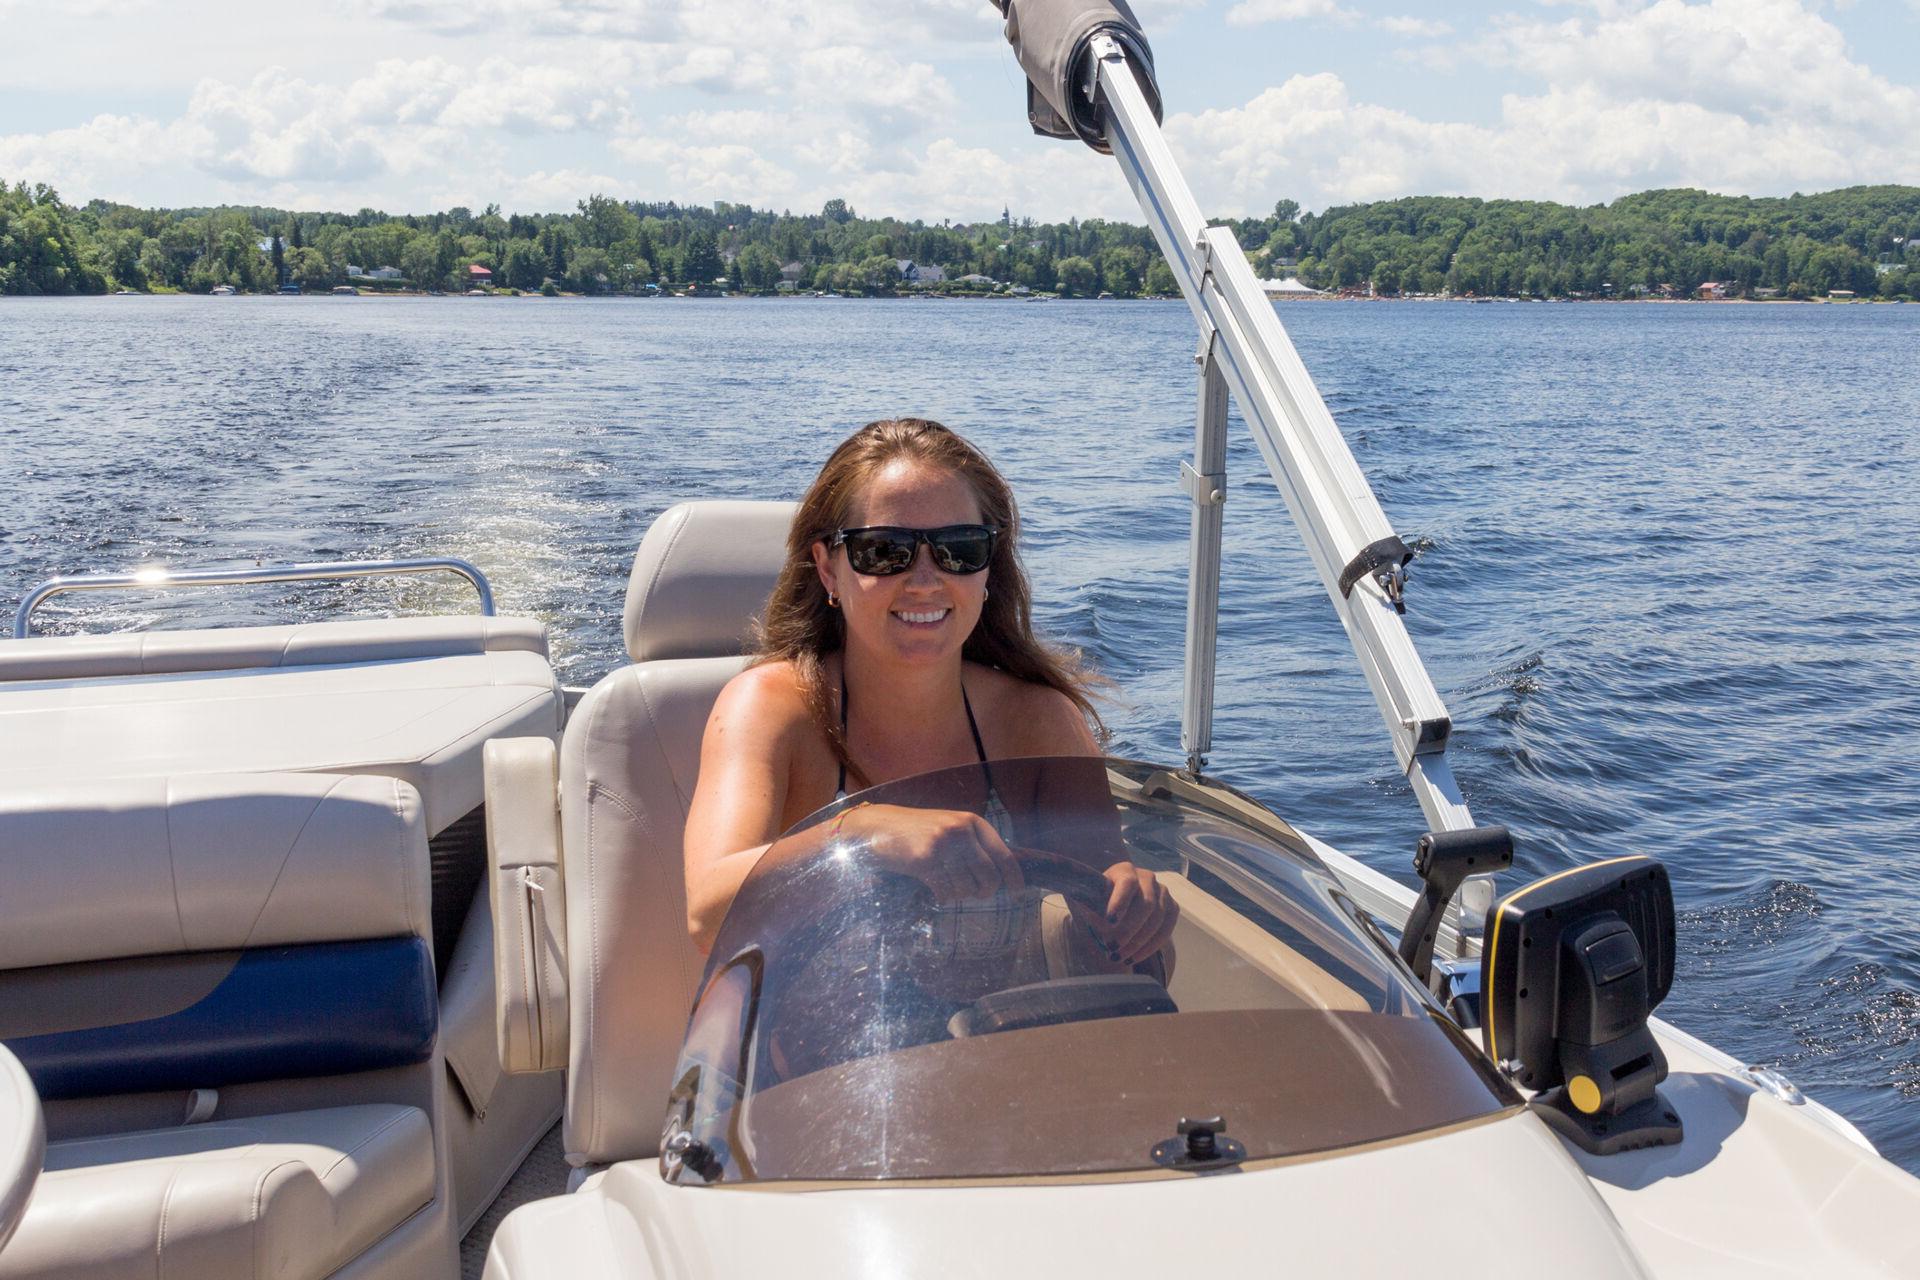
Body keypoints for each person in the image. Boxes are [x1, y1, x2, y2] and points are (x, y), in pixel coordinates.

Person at [682, 417, 1177, 965]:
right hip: (811, 1051)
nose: (924, 579)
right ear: (827, 568)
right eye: (884, 550)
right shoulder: (771, 709)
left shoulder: (1039, 722)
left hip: (997, 1042)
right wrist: (862, 836)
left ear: (988, 569)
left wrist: (1135, 909)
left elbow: (1107, 917)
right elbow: (709, 914)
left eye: (959, 548)